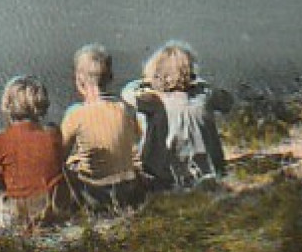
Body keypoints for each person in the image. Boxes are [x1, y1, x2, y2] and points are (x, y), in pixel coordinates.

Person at [0, 75, 66, 233]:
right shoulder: (54, 134)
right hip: (53, 208)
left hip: (17, 216)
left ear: (7, 106)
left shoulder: (2, 139)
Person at [122, 41, 232, 191]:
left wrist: (144, 82)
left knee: (144, 121)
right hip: (209, 173)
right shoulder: (205, 97)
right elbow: (227, 102)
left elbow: (126, 93)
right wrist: (200, 83)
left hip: (164, 177)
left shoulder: (154, 101)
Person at [59, 44, 145, 211]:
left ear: (79, 80)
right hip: (128, 187)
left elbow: (59, 155)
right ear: (111, 77)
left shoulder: (75, 114)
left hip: (95, 192)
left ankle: (76, 210)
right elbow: (135, 139)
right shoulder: (125, 108)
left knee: (67, 166)